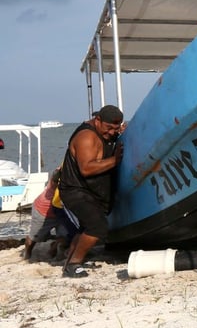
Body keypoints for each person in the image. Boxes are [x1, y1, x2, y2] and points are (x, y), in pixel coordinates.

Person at [59, 105, 124, 278]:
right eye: (108, 128)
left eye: (115, 129)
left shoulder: (106, 132)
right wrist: (115, 160)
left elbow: (113, 136)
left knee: (85, 229)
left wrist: (121, 133)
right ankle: (73, 265)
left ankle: (69, 261)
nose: (111, 132)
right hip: (75, 190)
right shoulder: (86, 136)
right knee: (97, 227)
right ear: (97, 120)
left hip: (91, 192)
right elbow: (86, 169)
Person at [22, 167, 69, 260]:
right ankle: (27, 253)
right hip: (44, 211)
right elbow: (55, 177)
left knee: (65, 236)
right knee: (35, 237)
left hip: (63, 212)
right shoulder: (58, 179)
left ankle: (54, 246)